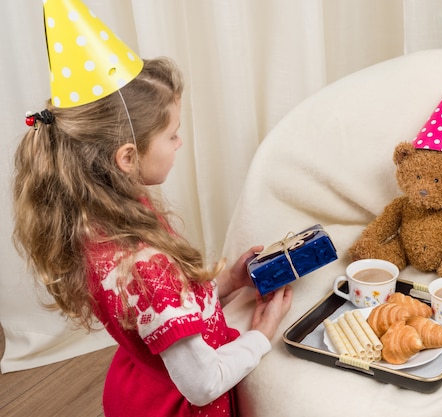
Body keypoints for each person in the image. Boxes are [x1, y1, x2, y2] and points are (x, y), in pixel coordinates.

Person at [12, 56, 293, 417]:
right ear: (127, 157)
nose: (178, 143)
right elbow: (203, 383)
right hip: (171, 406)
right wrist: (261, 334)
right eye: (171, 134)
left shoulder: (97, 219)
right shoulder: (144, 262)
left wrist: (223, 283)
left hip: (133, 386)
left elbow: (156, 311)